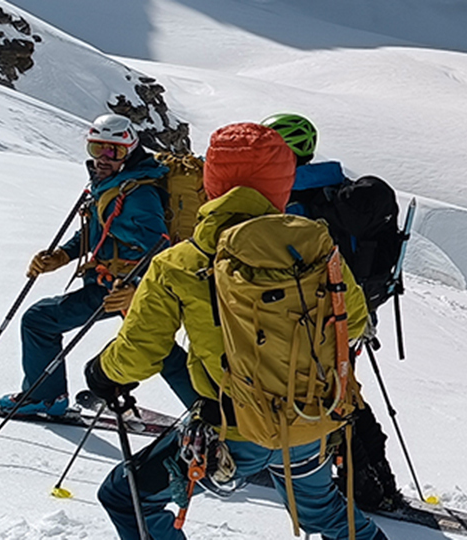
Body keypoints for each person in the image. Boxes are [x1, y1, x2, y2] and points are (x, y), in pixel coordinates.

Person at [83, 122, 384, 540]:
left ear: (210, 184)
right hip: (310, 420)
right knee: (327, 516)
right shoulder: (318, 249)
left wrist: (101, 372)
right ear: (282, 187)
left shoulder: (180, 262)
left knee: (125, 496)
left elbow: (141, 352)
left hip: (232, 431)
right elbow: (352, 321)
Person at [262, 112, 413, 513]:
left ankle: (369, 486)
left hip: (315, 320)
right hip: (349, 315)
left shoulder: (299, 202)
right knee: (341, 393)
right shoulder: (333, 192)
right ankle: (373, 482)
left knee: (335, 398)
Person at [1, 114, 194, 416]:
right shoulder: (114, 184)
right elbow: (97, 230)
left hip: (122, 287)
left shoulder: (139, 194)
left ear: (130, 150)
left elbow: (161, 249)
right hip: (112, 285)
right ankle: (211, 415)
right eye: (96, 149)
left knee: (40, 320)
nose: (103, 158)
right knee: (157, 349)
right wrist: (62, 256)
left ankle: (44, 397)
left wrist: (138, 288)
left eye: (113, 151)